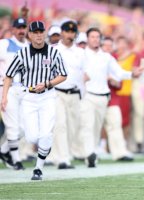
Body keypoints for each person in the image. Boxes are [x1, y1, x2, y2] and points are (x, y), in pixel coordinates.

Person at [1, 20, 67, 180]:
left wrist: (47, 84)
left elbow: (63, 75)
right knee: (31, 137)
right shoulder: (22, 53)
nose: (38, 35)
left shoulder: (53, 53)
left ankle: (38, 168)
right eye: (35, 32)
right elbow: (9, 75)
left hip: (47, 96)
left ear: (44, 33)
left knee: (45, 134)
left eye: (40, 32)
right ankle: (44, 148)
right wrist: (4, 97)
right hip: (28, 97)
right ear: (30, 35)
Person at [79, 28, 142, 167]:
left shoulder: (107, 57)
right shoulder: (81, 54)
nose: (95, 39)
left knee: (97, 128)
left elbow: (119, 73)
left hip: (103, 96)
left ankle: (96, 152)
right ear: (87, 39)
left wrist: (132, 74)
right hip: (87, 95)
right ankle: (89, 155)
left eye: (97, 37)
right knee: (88, 126)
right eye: (92, 37)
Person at [50, 20, 84, 169]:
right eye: (67, 31)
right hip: (57, 93)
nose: (70, 34)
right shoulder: (53, 49)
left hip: (75, 93)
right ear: (62, 33)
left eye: (72, 32)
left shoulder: (81, 52)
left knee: (73, 127)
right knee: (60, 125)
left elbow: (84, 74)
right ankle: (62, 159)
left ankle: (64, 154)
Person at [0, 17, 29, 170]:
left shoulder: (29, 46)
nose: (21, 30)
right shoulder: (4, 44)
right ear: (13, 29)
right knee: (13, 126)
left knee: (25, 127)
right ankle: (15, 159)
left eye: (23, 27)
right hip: (7, 88)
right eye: (18, 27)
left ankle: (4, 150)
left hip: (23, 90)